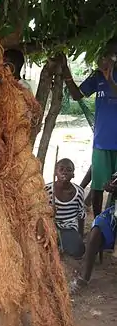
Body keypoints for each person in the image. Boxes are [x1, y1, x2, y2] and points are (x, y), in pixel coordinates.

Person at [62, 38, 117, 218]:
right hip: (101, 142)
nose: (104, 59)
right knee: (98, 186)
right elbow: (77, 95)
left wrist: (110, 79)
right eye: (103, 55)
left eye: (109, 55)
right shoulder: (97, 76)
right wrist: (66, 72)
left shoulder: (108, 76)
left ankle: (112, 227)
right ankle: (98, 223)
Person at [70, 175, 117, 293]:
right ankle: (83, 278)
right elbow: (109, 185)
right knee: (96, 230)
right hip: (115, 213)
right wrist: (111, 185)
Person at [45, 158, 85, 259]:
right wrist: (49, 211)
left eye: (68, 170)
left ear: (73, 175)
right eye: (61, 169)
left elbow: (81, 216)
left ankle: (61, 243)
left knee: (79, 250)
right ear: (55, 173)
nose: (64, 172)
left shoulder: (79, 192)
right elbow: (40, 213)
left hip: (68, 227)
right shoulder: (47, 190)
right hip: (50, 225)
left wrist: (80, 236)